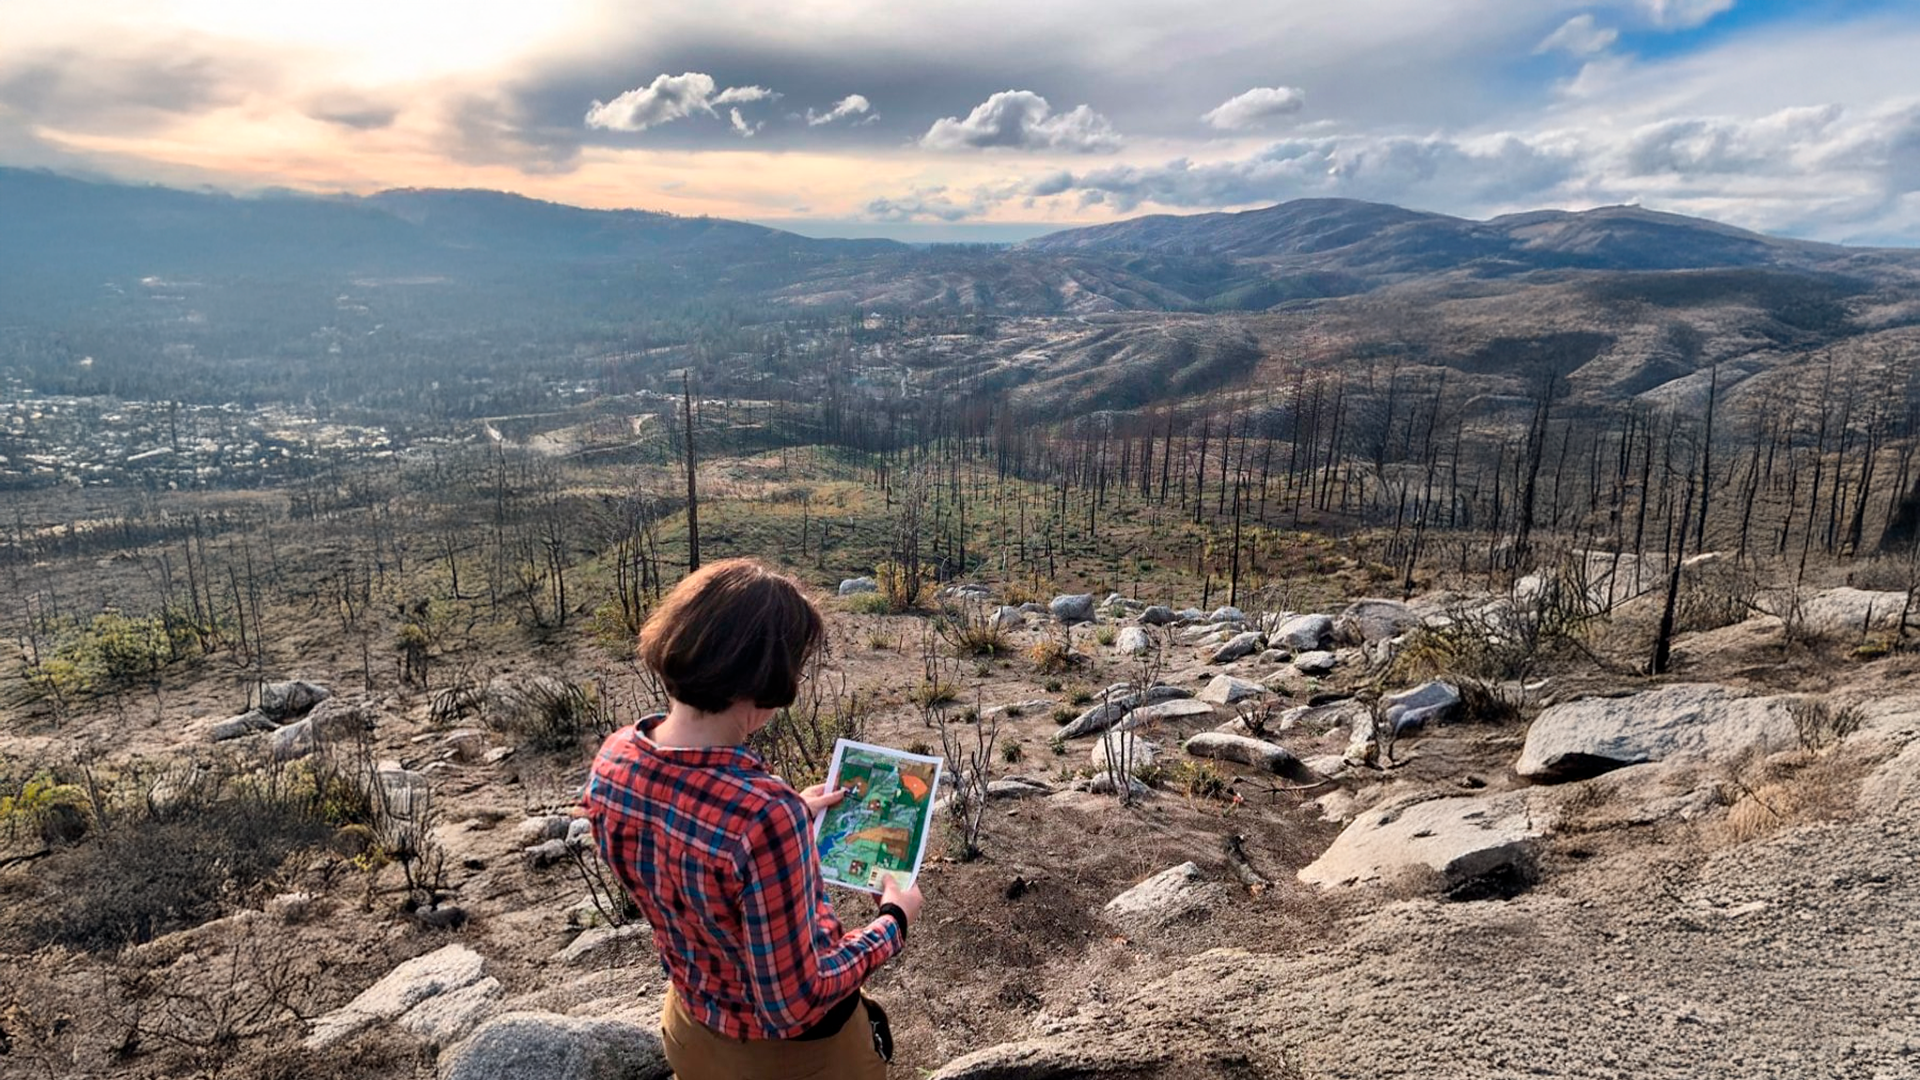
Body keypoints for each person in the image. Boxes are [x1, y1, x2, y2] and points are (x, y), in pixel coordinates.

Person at [584, 558, 921, 1080]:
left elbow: (685, 856)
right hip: (795, 1060)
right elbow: (794, 1001)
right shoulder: (764, 818)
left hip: (691, 1030)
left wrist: (792, 814)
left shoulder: (615, 758)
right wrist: (892, 921)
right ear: (765, 678)